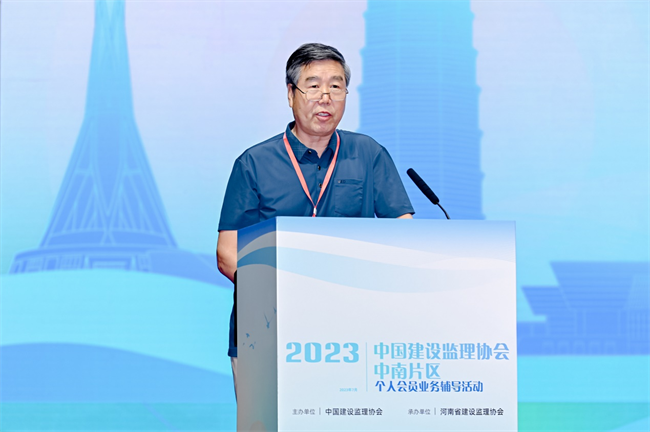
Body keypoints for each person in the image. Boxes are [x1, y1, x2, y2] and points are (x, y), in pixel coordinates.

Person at [216, 42, 414, 393]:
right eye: (314, 86)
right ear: (290, 94)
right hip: (267, 330)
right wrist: (289, 293)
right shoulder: (254, 163)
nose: (326, 97)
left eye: (336, 86)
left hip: (352, 332)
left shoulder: (368, 154)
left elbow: (404, 233)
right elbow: (228, 253)